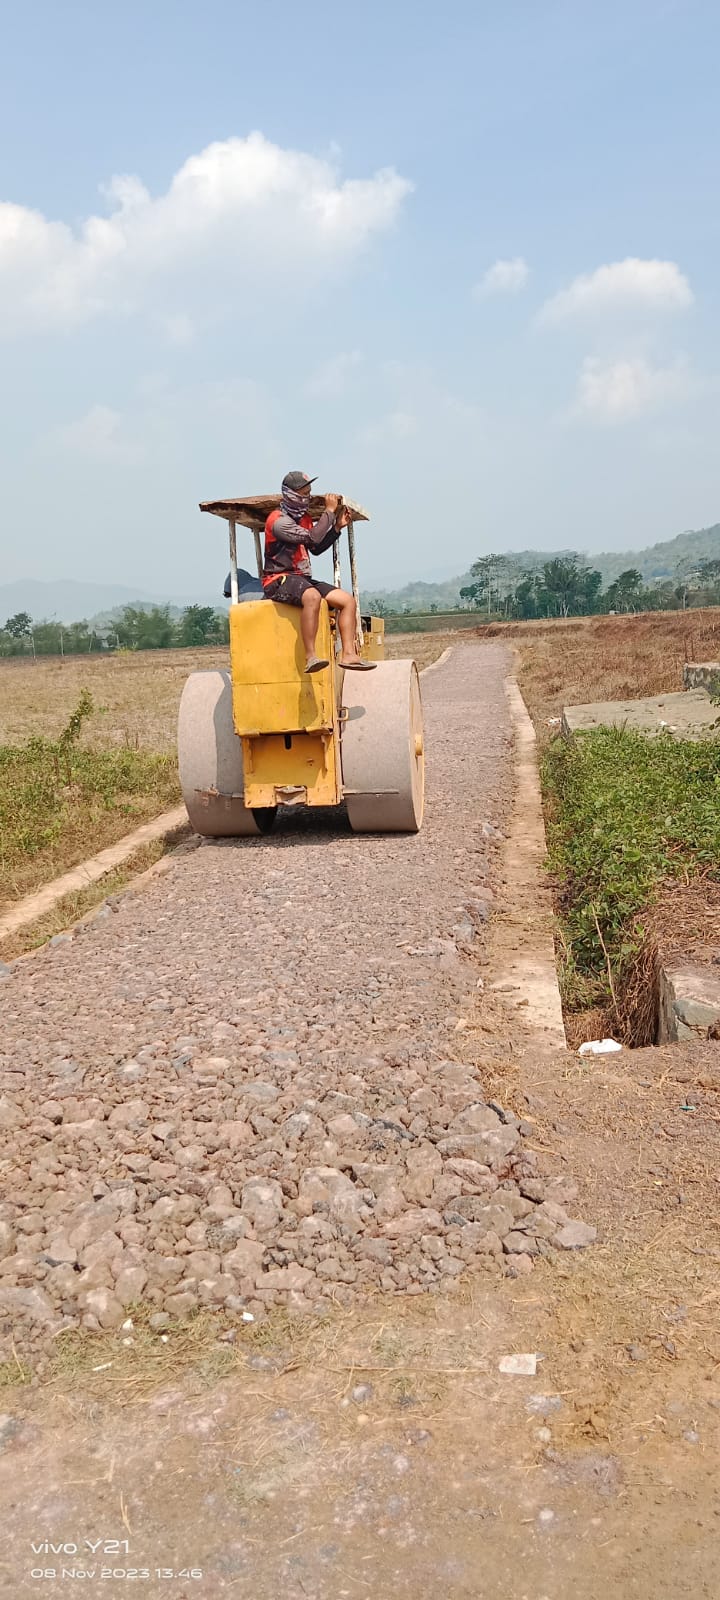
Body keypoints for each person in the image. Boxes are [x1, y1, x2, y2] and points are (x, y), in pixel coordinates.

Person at [262, 470, 376, 673]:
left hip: (301, 579)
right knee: (313, 597)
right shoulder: (278, 521)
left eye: (309, 493)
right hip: (278, 579)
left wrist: (336, 528)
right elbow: (314, 538)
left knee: (347, 601)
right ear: (291, 495)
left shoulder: (304, 518)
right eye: (304, 493)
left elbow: (314, 547)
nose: (307, 498)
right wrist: (329, 512)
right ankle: (311, 657)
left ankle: (349, 654)